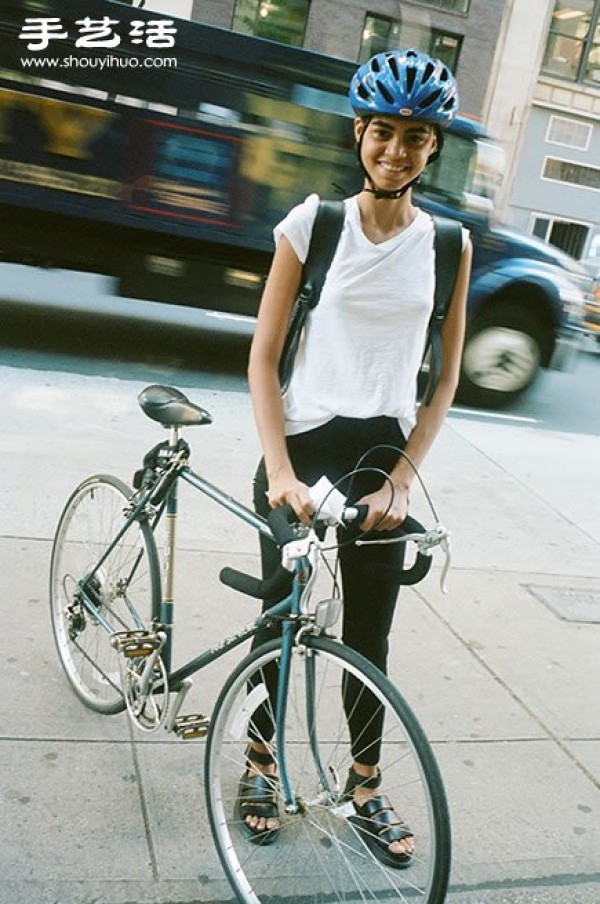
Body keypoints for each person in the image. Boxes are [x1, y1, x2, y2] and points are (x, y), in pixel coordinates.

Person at [239, 48, 472, 866]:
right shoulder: (313, 225)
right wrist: (278, 471)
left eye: (415, 136)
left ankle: (364, 787)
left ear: (433, 146)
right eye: (383, 132)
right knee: (283, 621)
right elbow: (263, 359)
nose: (396, 151)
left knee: (369, 638)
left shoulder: (451, 244)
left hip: (382, 455)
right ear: (358, 133)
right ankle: (259, 764)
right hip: (301, 447)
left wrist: (404, 478)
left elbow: (444, 382)